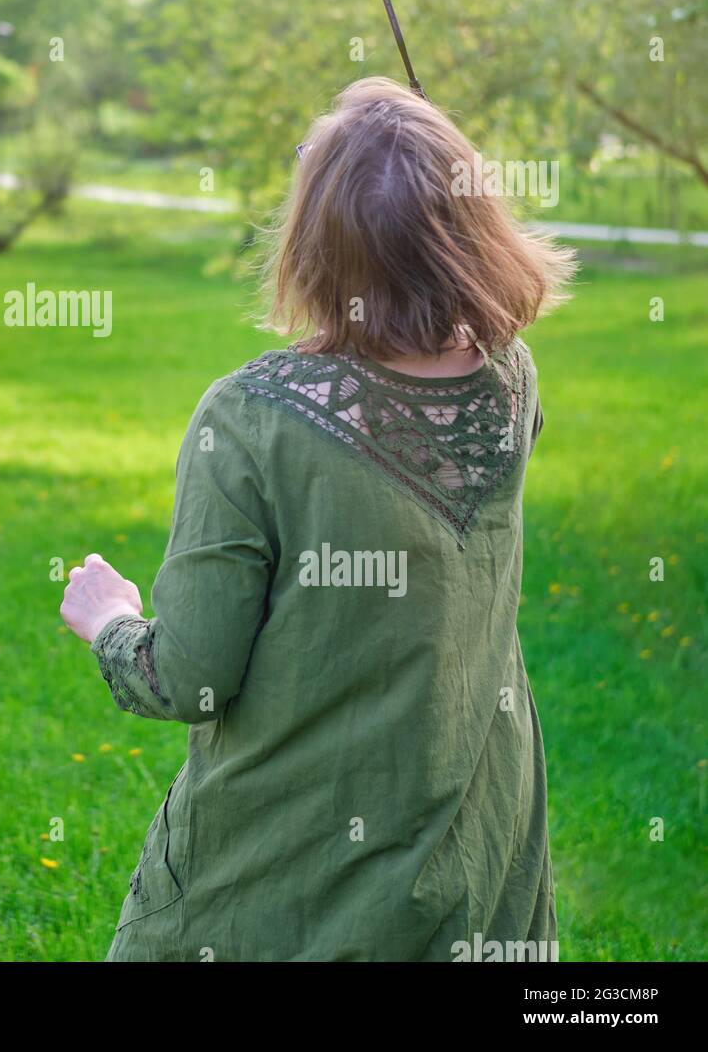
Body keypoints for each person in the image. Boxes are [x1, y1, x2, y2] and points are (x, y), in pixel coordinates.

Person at [60, 76, 578, 961]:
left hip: (290, 869)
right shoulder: (510, 379)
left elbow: (187, 679)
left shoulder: (250, 420)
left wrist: (109, 621)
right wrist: (423, 177)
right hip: (475, 842)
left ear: (318, 241)